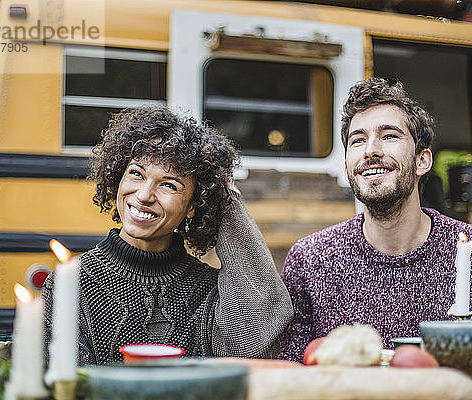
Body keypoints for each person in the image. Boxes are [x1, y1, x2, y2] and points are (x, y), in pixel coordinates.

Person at [278, 78, 472, 398]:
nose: (371, 150)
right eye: (357, 140)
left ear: (422, 160)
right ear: (347, 164)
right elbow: (289, 378)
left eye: (389, 136)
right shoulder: (309, 261)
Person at [42, 106, 293, 365]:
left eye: (169, 185)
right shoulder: (71, 283)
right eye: (136, 174)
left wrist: (225, 198)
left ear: (193, 205)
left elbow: (252, 344)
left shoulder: (209, 290)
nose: (144, 195)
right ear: (118, 177)